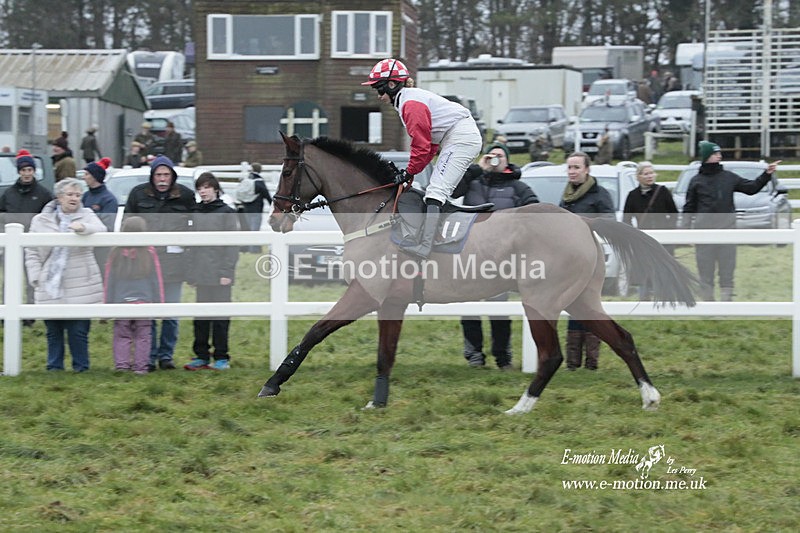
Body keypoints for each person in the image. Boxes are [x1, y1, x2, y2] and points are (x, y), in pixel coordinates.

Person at [361, 58, 482, 259]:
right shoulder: (407, 100)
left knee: (436, 190)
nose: (379, 95)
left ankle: (425, 247)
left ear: (392, 84)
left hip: (460, 137)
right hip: (455, 136)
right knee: (434, 191)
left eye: (379, 89)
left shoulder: (410, 104)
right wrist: (410, 172)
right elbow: (429, 147)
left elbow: (422, 145)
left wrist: (409, 171)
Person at [452, 141, 539, 370]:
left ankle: (503, 357)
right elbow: (452, 190)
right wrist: (477, 168)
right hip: (470, 257)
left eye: (500, 156)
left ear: (508, 161)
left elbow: (534, 208)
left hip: (501, 260)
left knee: (499, 311)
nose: (495, 159)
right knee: (469, 308)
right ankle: (475, 356)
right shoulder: (473, 182)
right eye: (491, 155)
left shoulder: (517, 187)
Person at [24, 178, 107, 372]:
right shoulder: (40, 220)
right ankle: (54, 368)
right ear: (59, 197)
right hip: (50, 282)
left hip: (81, 282)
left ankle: (81, 367)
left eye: (78, 195)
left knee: (78, 329)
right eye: (70, 194)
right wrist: (35, 276)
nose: (74, 199)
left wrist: (84, 228)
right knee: (53, 329)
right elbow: (31, 250)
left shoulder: (87, 215)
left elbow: (102, 229)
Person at [682, 141, 778, 301]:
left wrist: (766, 174)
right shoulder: (696, 181)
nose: (719, 155)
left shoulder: (728, 177)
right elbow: (689, 208)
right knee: (705, 270)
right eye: (715, 153)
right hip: (703, 235)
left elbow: (751, 188)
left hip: (727, 232)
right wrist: (683, 233)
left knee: (727, 270)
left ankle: (727, 303)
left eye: (719, 153)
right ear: (707, 156)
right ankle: (708, 304)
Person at [124, 155, 195, 371]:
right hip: (145, 263)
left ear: (172, 176)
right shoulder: (137, 194)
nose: (162, 179)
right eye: (158, 175)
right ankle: (148, 356)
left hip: (175, 263)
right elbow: (127, 225)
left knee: (171, 313)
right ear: (152, 176)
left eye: (166, 175)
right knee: (149, 312)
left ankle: (166, 356)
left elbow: (195, 226)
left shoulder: (186, 196)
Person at [559, 152, 615, 371]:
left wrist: (582, 224)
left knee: (590, 306)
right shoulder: (566, 196)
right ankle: (573, 363)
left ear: (587, 170)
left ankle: (591, 362)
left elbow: (608, 221)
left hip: (591, 259)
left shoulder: (600, 195)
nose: (572, 172)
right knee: (572, 305)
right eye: (569, 168)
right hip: (569, 261)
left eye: (576, 167)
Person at [184, 173, 239, 371]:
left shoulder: (227, 213)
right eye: (200, 188)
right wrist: (190, 273)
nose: (203, 191)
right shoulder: (195, 212)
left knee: (220, 318)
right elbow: (189, 246)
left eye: (206, 187)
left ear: (215, 188)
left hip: (220, 275)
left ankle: (222, 356)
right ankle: (201, 355)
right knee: (200, 318)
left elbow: (232, 246)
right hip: (200, 274)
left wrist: (227, 272)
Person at [0, 150, 54, 326]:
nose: (26, 173)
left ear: (34, 171)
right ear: (19, 172)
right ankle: (5, 313)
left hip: (32, 244)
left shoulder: (44, 194)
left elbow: (49, 217)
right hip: (11, 244)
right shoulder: (8, 193)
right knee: (9, 279)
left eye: (30, 170)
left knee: (32, 280)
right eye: (23, 170)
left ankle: (29, 316)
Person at [104, 216, 164, 374]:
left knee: (122, 335)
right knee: (143, 335)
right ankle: (141, 367)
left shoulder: (115, 253)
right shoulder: (149, 252)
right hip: (144, 301)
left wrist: (107, 305)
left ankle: (122, 366)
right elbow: (156, 280)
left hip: (120, 301)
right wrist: (160, 304)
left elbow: (109, 281)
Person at [623, 161, 679, 299]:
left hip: (663, 238)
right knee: (644, 269)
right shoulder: (633, 195)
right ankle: (645, 297)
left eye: (651, 173)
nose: (650, 176)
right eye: (646, 173)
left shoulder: (663, 191)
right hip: (643, 239)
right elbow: (626, 219)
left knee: (663, 268)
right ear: (638, 176)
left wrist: (668, 229)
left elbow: (674, 213)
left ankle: (665, 297)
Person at [81, 157, 118, 273]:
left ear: (95, 176)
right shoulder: (85, 195)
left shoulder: (109, 199)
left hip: (101, 249)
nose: (84, 177)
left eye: (86, 174)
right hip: (84, 247)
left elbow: (107, 226)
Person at [237, 162, 272, 253]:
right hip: (256, 209)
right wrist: (273, 206)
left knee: (248, 229)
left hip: (246, 208)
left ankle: (246, 248)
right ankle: (254, 250)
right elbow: (266, 195)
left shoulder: (246, 180)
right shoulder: (259, 182)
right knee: (255, 230)